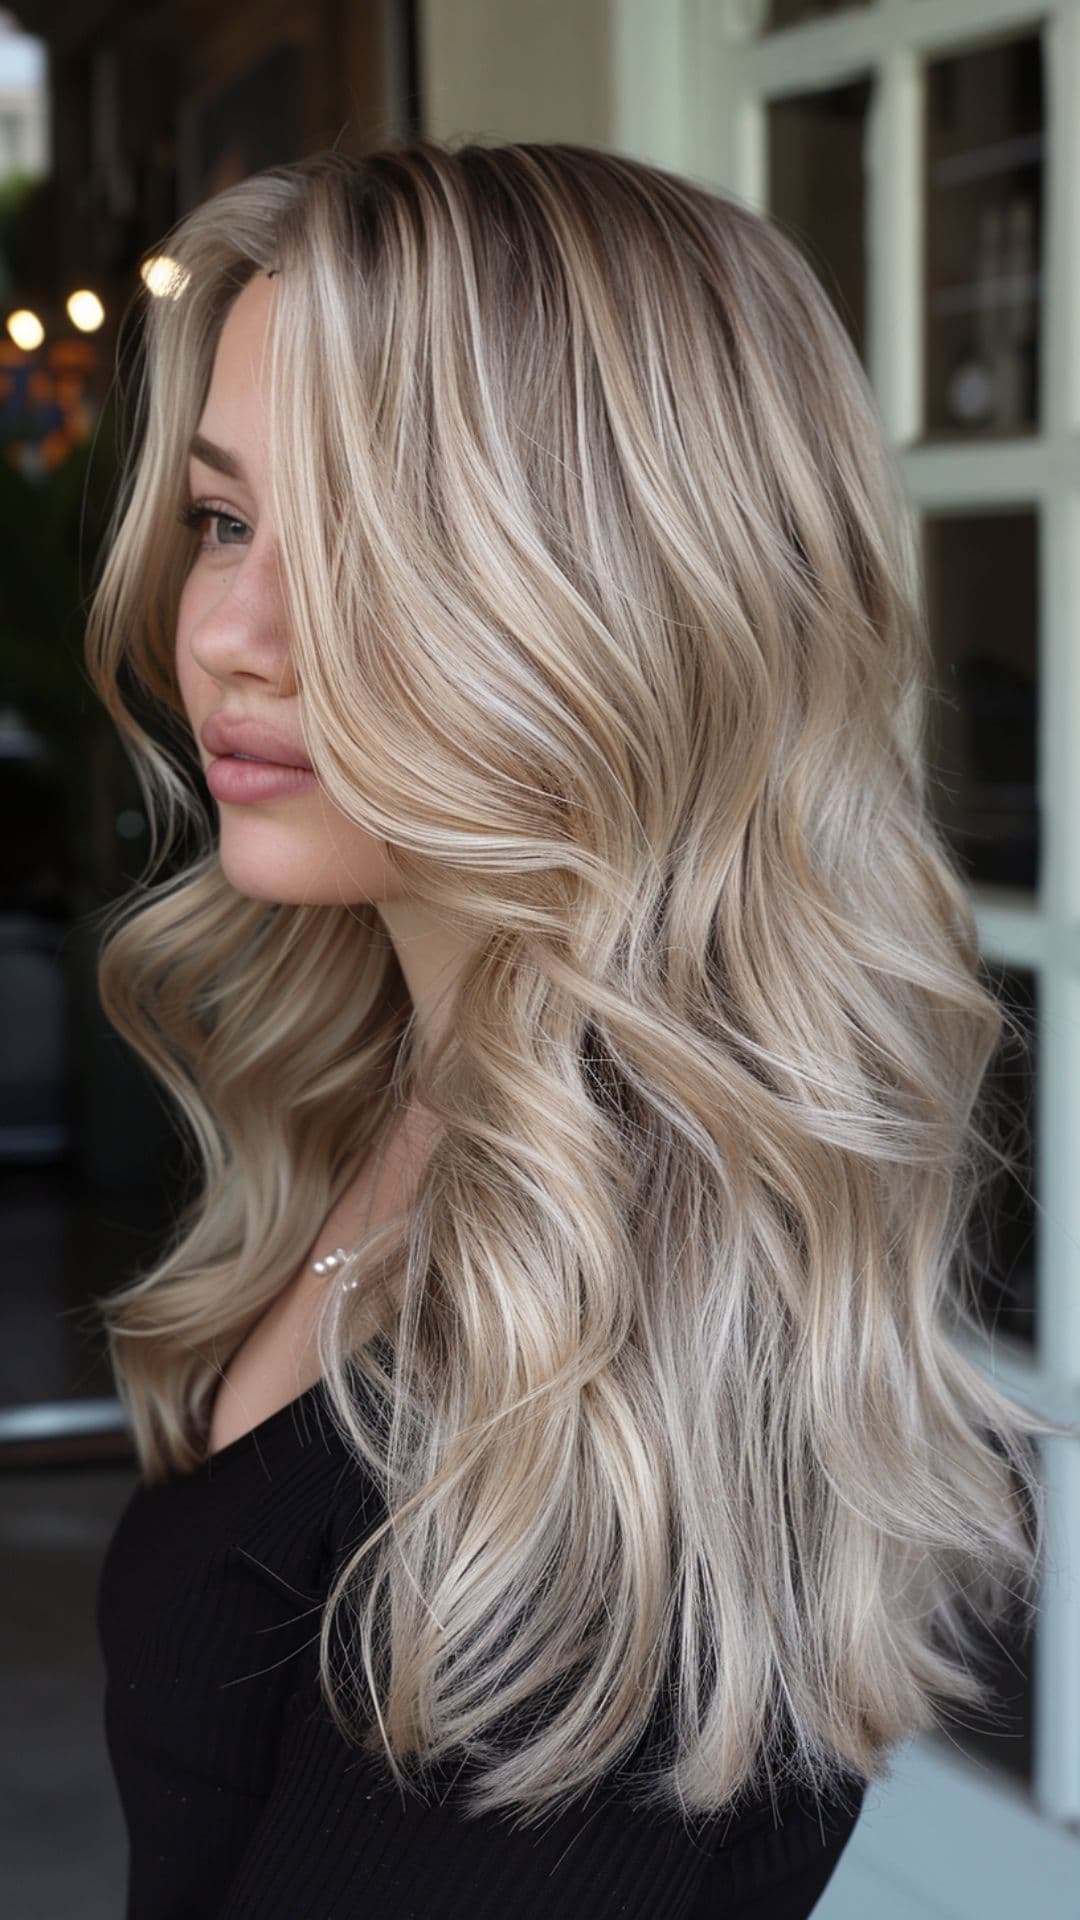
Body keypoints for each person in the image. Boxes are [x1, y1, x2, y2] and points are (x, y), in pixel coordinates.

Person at [85, 137, 1064, 1918]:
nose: (224, 631)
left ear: (621, 612)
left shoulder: (610, 1438)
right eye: (226, 520)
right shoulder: (423, 1084)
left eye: (373, 548)